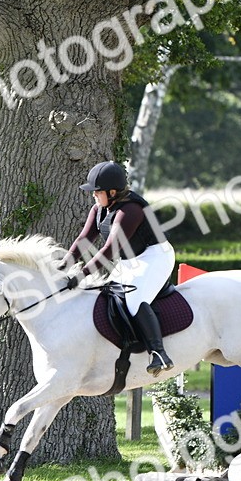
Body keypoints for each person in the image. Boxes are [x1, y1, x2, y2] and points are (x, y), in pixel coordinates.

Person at [60, 160, 176, 375]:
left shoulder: (130, 210)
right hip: (129, 259)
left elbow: (109, 250)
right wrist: (63, 265)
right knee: (107, 295)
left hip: (155, 255)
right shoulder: (100, 208)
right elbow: (84, 239)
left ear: (112, 192)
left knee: (133, 299)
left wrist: (82, 273)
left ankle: (159, 353)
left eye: (97, 192)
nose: (93, 196)